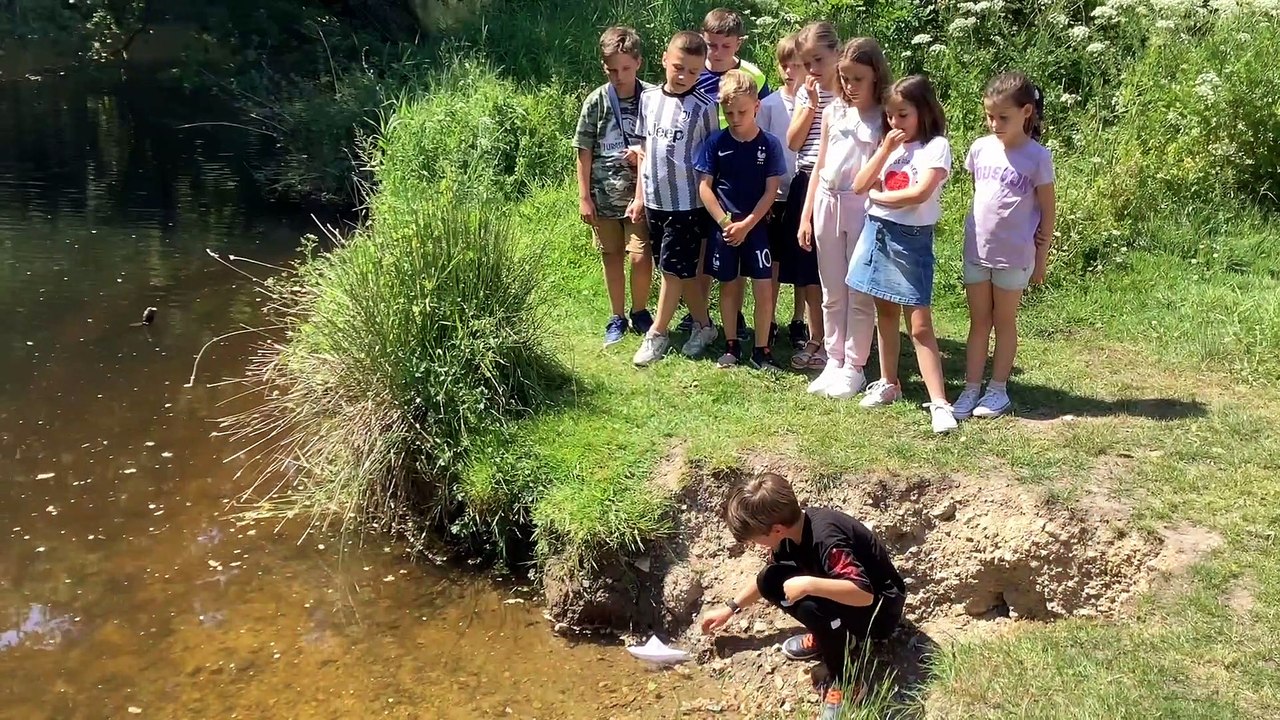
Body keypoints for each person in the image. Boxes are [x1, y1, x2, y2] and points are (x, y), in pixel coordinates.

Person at [699, 472, 906, 720]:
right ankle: (833, 635)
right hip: (849, 599)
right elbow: (766, 579)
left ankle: (848, 681)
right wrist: (730, 609)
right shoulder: (789, 534)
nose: (757, 545)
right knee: (770, 580)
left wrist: (809, 585)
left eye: (757, 540)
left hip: (878, 614)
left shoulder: (827, 539)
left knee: (810, 607)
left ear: (776, 529)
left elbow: (864, 594)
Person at [846, 75, 957, 433]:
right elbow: (859, 184)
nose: (896, 123)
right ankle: (889, 382)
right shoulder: (890, 146)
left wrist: (878, 198)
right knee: (886, 312)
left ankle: (939, 402)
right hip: (877, 232)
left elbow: (919, 194)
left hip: (910, 237)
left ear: (923, 112)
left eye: (903, 115)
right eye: (891, 116)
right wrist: (883, 150)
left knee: (919, 322)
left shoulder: (935, 146)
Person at [952, 72, 1056, 420]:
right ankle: (970, 388)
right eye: (989, 116)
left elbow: (1047, 214)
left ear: (1026, 112)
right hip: (977, 252)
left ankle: (997, 390)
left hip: (1014, 256)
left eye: (1003, 117)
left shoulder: (1037, 157)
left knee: (1004, 320)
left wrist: (1041, 259)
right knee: (978, 321)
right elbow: (980, 195)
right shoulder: (980, 148)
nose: (994, 124)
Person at [798, 38, 893, 399]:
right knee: (831, 289)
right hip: (825, 201)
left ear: (875, 78)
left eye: (858, 79)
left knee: (858, 291)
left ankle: (855, 364)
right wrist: (806, 215)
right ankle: (833, 360)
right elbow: (820, 164)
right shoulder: (835, 110)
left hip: (862, 208)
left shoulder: (884, 115)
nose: (851, 87)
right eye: (846, 78)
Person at [631, 31, 721, 367]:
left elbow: (712, 157)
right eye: (679, 68)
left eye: (693, 72)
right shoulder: (649, 99)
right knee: (680, 271)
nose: (684, 77)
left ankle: (658, 333)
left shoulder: (704, 108)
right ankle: (706, 326)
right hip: (655, 198)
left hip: (687, 203)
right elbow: (644, 150)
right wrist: (640, 196)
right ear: (665, 60)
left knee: (671, 270)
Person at [683, 7, 773, 342]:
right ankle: (699, 317)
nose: (716, 53)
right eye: (710, 45)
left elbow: (762, 118)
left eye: (725, 46)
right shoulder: (695, 72)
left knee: (740, 248)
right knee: (707, 250)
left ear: (739, 44)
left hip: (742, 174)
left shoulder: (756, 76)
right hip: (704, 171)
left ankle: (735, 317)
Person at [695, 70, 786, 370]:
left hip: (756, 227)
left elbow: (772, 190)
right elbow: (705, 187)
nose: (735, 117)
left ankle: (762, 349)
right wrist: (725, 224)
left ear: (757, 107)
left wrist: (747, 225)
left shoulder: (769, 145)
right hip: (725, 229)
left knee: (763, 287)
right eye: (728, 112)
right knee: (729, 285)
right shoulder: (716, 142)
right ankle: (731, 343)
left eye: (742, 111)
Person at [573, 26, 656, 347]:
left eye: (625, 68)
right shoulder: (596, 101)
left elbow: (656, 144)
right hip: (603, 196)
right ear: (603, 67)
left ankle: (639, 311)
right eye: (611, 70)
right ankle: (617, 315)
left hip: (641, 197)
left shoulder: (651, 97)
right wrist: (584, 198)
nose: (619, 76)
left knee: (639, 256)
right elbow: (583, 150)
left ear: (639, 62)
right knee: (611, 255)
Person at [783, 22, 841, 371]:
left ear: (837, 53)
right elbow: (793, 142)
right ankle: (816, 336)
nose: (813, 70)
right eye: (807, 64)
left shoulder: (852, 91)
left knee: (835, 269)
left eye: (819, 60)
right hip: (806, 181)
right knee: (807, 270)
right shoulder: (807, 93)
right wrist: (812, 104)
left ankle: (842, 340)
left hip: (841, 187)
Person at [758, 33, 807, 352]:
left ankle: (799, 319)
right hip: (775, 195)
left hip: (804, 191)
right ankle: (770, 319)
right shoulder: (770, 104)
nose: (790, 71)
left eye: (798, 65)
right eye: (785, 65)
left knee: (804, 262)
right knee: (774, 261)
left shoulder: (814, 103)